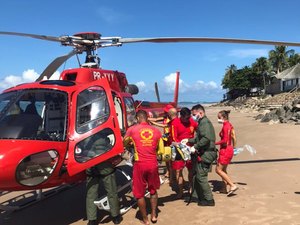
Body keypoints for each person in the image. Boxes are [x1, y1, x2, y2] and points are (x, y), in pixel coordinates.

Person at [123, 110, 164, 225]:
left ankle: (145, 219)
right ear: (147, 118)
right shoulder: (156, 131)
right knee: (153, 190)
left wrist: (132, 143)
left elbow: (124, 143)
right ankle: (154, 215)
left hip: (139, 164)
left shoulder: (132, 130)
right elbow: (160, 150)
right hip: (153, 164)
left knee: (139, 193)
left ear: (137, 118)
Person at [85, 137, 122, 225]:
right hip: (105, 167)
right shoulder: (103, 136)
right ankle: (115, 215)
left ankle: (91, 219)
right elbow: (110, 149)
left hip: (90, 166)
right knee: (112, 191)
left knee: (91, 194)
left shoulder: (84, 135)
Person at [188, 104, 216, 206]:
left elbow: (206, 139)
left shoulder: (205, 123)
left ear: (200, 113)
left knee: (201, 177)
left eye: (194, 114)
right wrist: (188, 140)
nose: (193, 117)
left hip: (207, 153)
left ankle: (209, 199)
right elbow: (199, 138)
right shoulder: (201, 122)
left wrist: (195, 146)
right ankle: (196, 196)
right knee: (196, 175)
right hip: (205, 152)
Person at [170, 107, 198, 198]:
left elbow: (199, 131)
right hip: (179, 150)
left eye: (188, 117)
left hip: (190, 149)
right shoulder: (175, 123)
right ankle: (180, 191)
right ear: (181, 116)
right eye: (186, 118)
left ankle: (191, 187)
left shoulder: (192, 121)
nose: (187, 120)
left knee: (191, 170)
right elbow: (174, 137)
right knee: (179, 171)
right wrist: (181, 146)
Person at [215, 110, 238, 196]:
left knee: (218, 170)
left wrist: (215, 143)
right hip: (229, 149)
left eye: (219, 117)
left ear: (223, 117)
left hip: (225, 150)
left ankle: (232, 185)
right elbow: (233, 137)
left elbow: (224, 140)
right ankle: (224, 188)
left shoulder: (226, 126)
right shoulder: (229, 125)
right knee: (223, 170)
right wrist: (234, 147)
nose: (218, 119)